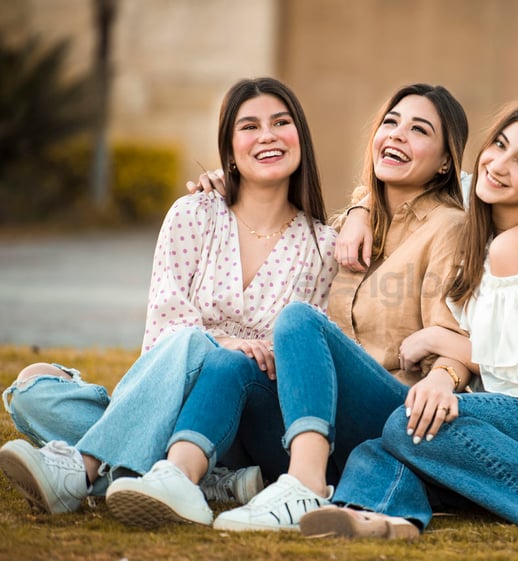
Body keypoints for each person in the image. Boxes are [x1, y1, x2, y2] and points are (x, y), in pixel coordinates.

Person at [298, 99, 518, 539]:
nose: (498, 165)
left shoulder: (517, 245)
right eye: (498, 145)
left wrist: (437, 341)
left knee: (406, 422)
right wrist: (359, 213)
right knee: (392, 436)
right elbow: (395, 179)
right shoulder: (479, 193)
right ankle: (385, 517)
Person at [0, 77, 338, 528]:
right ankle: (211, 480)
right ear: (229, 148)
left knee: (202, 349)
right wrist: (225, 341)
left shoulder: (324, 246)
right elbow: (165, 329)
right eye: (249, 126)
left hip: (250, 415)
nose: (268, 135)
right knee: (31, 389)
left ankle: (84, 467)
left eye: (281, 122)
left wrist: (228, 351)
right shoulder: (193, 214)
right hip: (170, 392)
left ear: (301, 138)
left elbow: (311, 354)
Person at [190, 83, 472, 532]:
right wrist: (231, 185)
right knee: (234, 363)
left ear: (444, 162)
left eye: (419, 130)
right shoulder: (345, 228)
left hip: (393, 413)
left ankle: (304, 485)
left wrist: (446, 374)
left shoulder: (449, 228)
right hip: (322, 421)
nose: (397, 135)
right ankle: (180, 478)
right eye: (391, 123)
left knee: (300, 320)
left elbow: (455, 339)